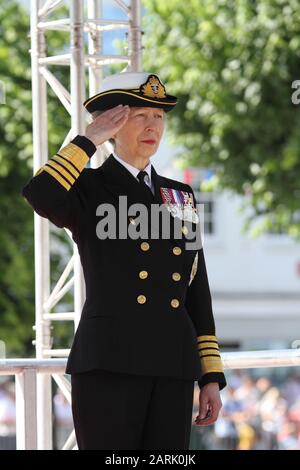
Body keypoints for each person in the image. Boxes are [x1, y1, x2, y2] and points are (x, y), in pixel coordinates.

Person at [22, 71, 226, 450]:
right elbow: (39, 193)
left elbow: (195, 288)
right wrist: (87, 139)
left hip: (172, 365)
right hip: (109, 364)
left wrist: (209, 375)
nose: (152, 127)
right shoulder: (88, 187)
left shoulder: (179, 195)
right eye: (139, 116)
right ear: (111, 125)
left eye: (159, 117)